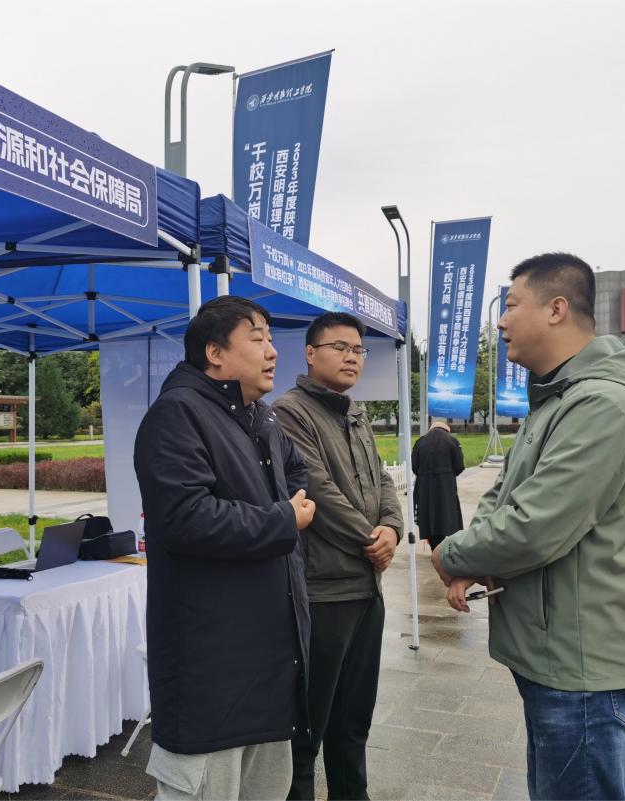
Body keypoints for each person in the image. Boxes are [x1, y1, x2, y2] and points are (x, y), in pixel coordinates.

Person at [431, 253, 625, 801]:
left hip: (584, 666)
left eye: (511, 305)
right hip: (557, 657)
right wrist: (474, 558)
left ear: (556, 309)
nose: (501, 322)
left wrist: (450, 555)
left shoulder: (602, 404)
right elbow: (502, 496)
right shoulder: (556, 400)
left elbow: (535, 526)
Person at [134, 296, 316, 801]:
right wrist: (283, 519)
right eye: (257, 339)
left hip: (269, 674)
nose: (272, 351)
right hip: (211, 680)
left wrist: (288, 507)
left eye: (271, 339)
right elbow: (184, 518)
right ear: (214, 353)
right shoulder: (177, 414)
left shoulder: (260, 418)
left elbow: (298, 473)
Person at [272, 311, 404, 801]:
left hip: (366, 588)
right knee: (308, 726)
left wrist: (392, 528)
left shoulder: (355, 413)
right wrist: (372, 539)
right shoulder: (290, 412)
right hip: (323, 592)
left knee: (353, 721)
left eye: (358, 350)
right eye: (340, 347)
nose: (352, 357)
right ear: (310, 353)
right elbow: (317, 492)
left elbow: (383, 480)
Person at [411, 421, 465, 550]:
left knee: (429, 516)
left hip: (424, 486)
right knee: (448, 514)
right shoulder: (452, 441)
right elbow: (459, 466)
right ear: (447, 430)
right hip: (445, 485)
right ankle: (449, 548)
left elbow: (414, 466)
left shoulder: (420, 442)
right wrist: (448, 475)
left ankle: (435, 548)